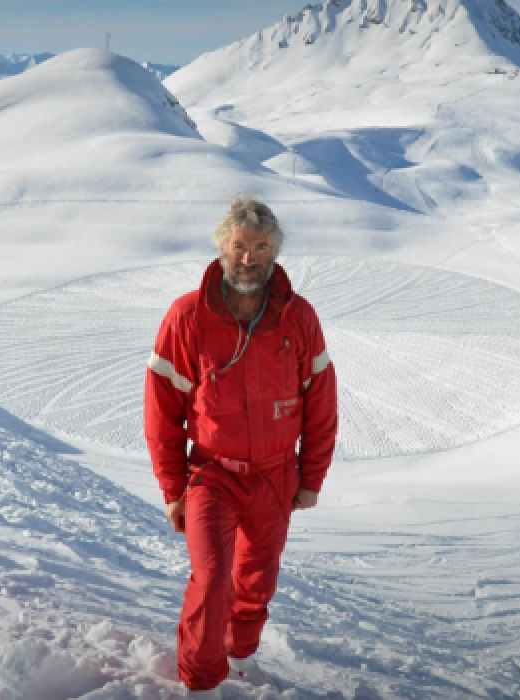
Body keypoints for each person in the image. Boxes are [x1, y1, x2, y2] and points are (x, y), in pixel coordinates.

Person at [144, 193, 339, 697]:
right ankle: (202, 683)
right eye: (239, 245)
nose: (248, 257)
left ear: (275, 251)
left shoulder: (299, 317)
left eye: (260, 246)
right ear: (221, 248)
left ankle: (240, 656)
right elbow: (162, 411)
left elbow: (320, 403)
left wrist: (310, 477)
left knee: (256, 581)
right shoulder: (187, 315)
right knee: (211, 579)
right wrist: (171, 487)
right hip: (212, 472)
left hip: (276, 475)